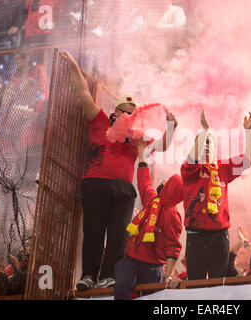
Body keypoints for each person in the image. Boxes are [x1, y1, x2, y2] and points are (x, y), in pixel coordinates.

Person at [61, 51, 178, 290]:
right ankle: (88, 276)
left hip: (123, 188)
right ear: (115, 112)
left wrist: (171, 127)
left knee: (118, 235)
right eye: (124, 110)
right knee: (93, 231)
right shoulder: (101, 121)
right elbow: (83, 94)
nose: (127, 114)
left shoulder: (137, 137)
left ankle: (107, 276)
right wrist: (73, 63)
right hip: (94, 183)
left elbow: (162, 145)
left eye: (131, 112)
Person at [181, 109, 251, 280]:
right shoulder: (189, 170)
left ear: (215, 148)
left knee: (219, 282)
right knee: (196, 283)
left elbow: (250, 159)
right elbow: (192, 158)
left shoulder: (223, 168)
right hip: (196, 235)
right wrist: (205, 130)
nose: (206, 144)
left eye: (209, 142)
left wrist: (248, 131)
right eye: (202, 142)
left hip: (220, 235)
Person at [114, 141, 183, 300]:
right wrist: (142, 156)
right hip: (130, 259)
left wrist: (167, 277)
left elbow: (173, 249)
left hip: (153, 268)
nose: (162, 182)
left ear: (172, 189)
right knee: (121, 289)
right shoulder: (152, 199)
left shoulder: (173, 216)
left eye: (167, 182)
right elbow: (144, 181)